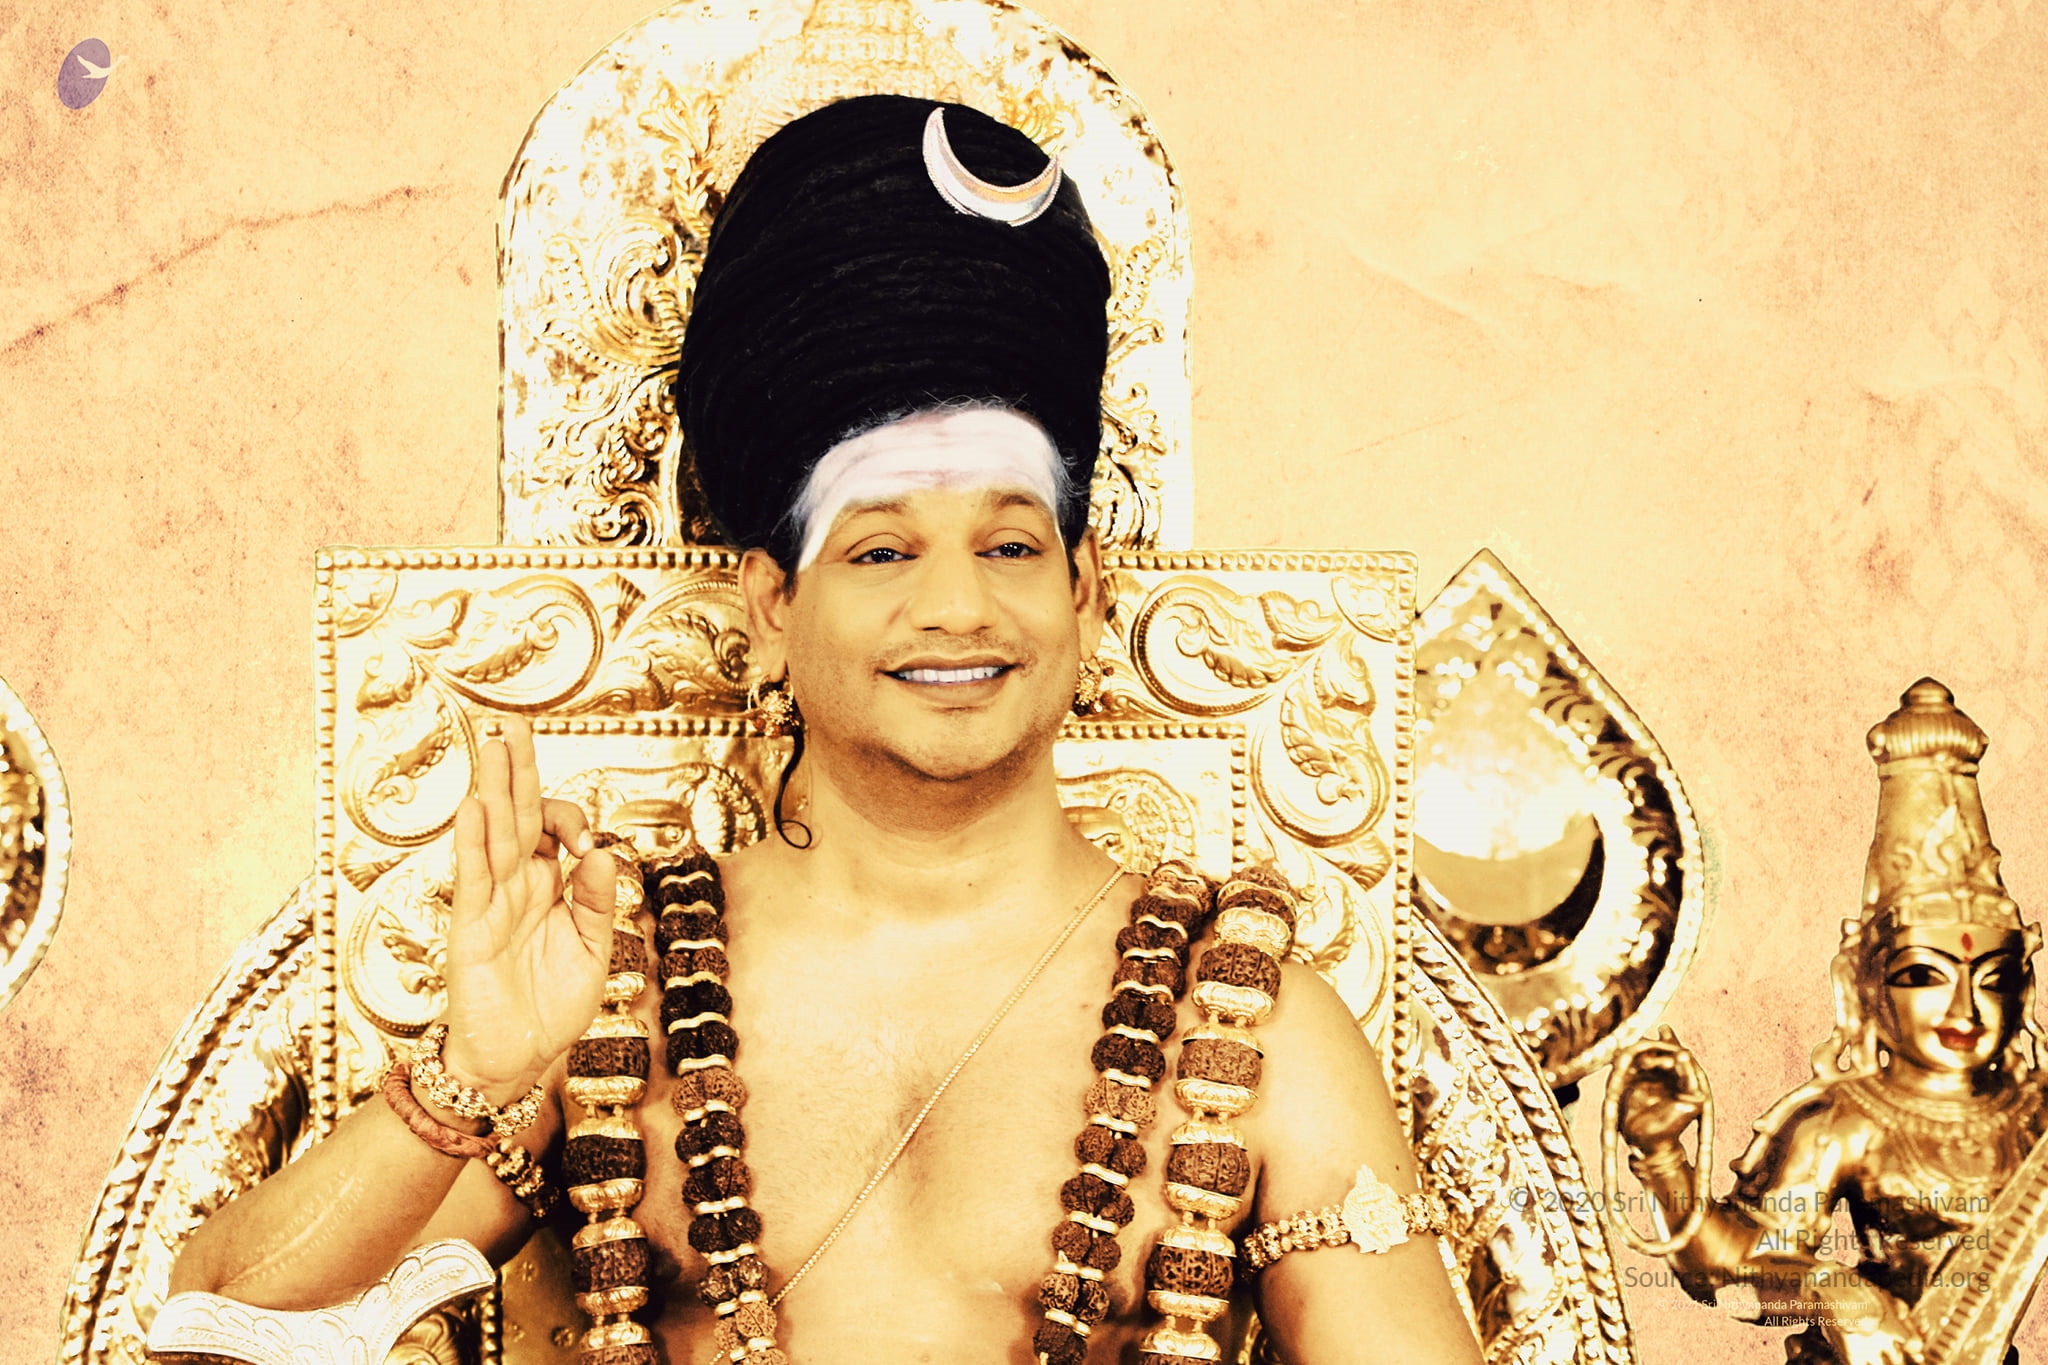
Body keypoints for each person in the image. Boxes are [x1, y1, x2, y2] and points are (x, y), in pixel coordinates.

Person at [170, 95, 1479, 1365]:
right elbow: (211, 1323)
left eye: (1010, 545)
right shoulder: (609, 998)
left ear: (1086, 590)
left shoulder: (1249, 1024)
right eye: (880, 551)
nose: (957, 607)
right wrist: (473, 1075)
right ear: (772, 604)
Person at [1611, 680, 2048, 1365]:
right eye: (1924, 975)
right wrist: (1664, 1156)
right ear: (1865, 985)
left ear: (2025, 985)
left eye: (1992, 978)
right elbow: (1728, 1273)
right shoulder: (1843, 1121)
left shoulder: (2034, 1113)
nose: (1964, 1009)